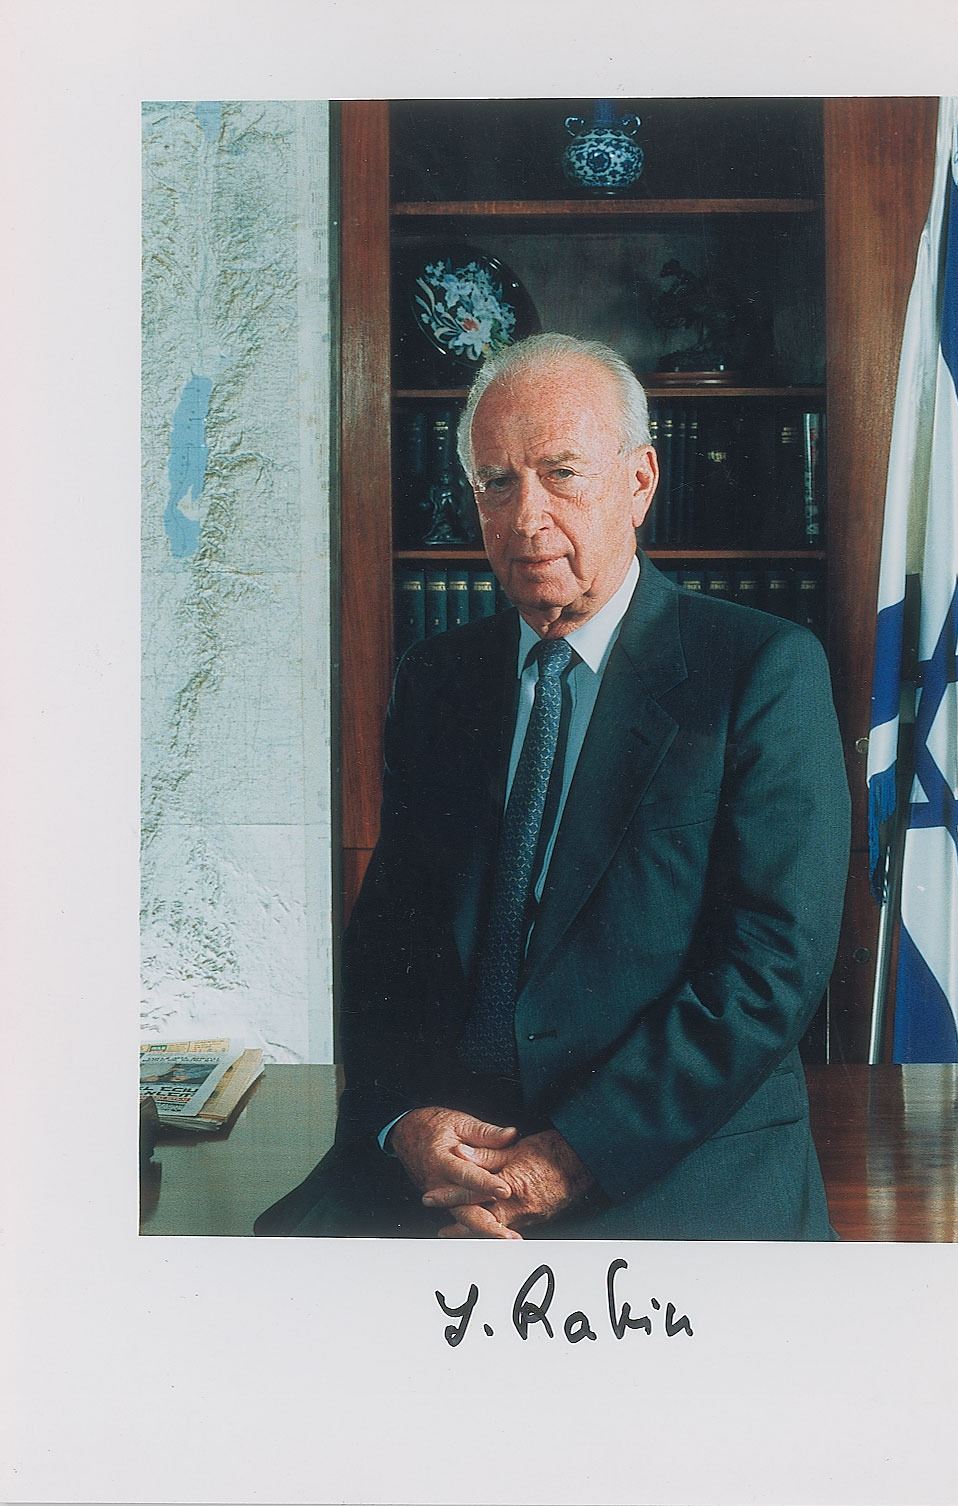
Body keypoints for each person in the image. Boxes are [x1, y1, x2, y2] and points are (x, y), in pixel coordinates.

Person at [256, 333, 849, 1241]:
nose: (526, 517)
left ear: (639, 482)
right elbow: (388, 946)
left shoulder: (759, 670)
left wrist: (571, 1157)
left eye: (561, 474)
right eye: (496, 483)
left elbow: (770, 968)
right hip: (459, 1149)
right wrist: (404, 1120)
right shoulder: (438, 679)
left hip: (664, 1151)